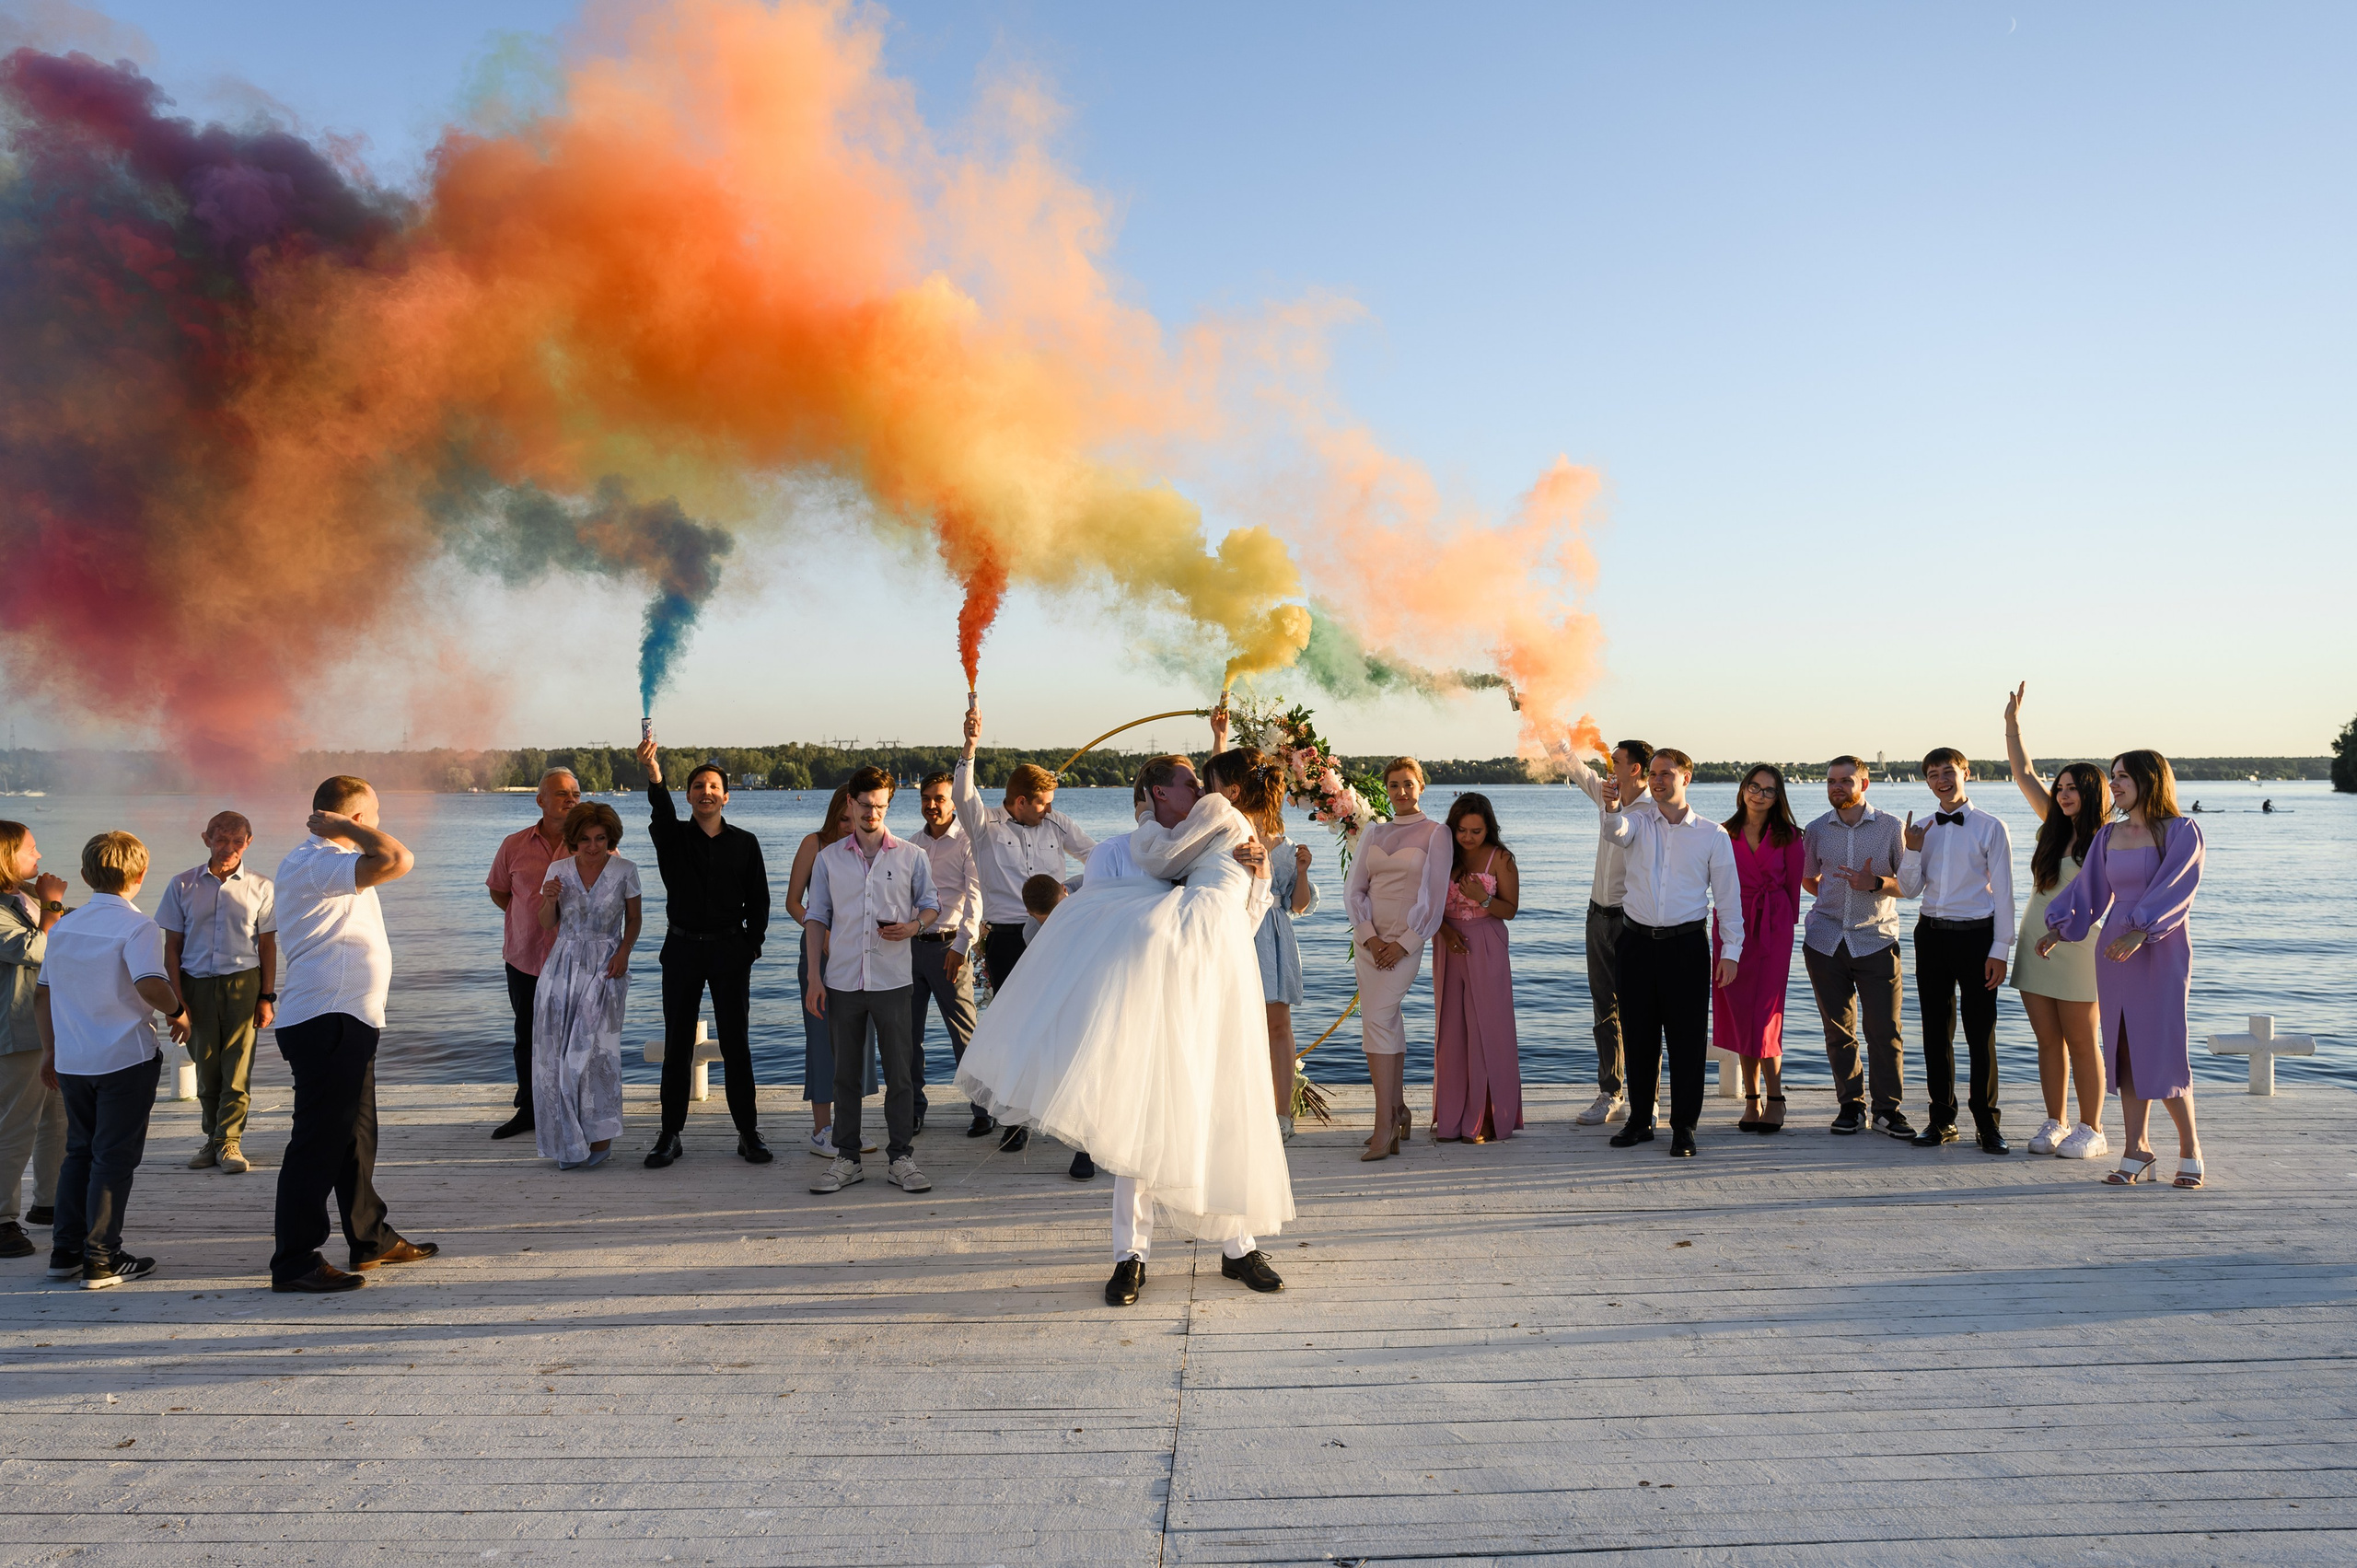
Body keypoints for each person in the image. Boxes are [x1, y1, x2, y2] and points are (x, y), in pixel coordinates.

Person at [956, 753, 1288, 1307]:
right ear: (1159, 794)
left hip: (1213, 990)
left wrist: (1261, 872)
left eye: (1201, 782)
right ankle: (1130, 1255)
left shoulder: (1213, 834)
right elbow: (1101, 922)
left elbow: (1242, 922)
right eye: (1188, 783)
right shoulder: (1115, 852)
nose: (1198, 791)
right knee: (1138, 1121)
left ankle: (1237, 1246)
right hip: (1144, 1004)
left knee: (1222, 1107)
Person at [269, 777, 435, 1293]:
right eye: (374, 814)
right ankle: (294, 1260)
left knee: (356, 1138)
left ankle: (370, 1238)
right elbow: (399, 859)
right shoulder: (317, 861)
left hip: (348, 1017)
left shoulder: (331, 865)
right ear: (355, 819)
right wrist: (346, 827)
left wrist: (349, 830)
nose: (380, 823)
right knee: (318, 1143)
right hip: (327, 1019)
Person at [2040, 750, 2207, 1189]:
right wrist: (2059, 928)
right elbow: (2089, 889)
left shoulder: (2180, 831)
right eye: (2113, 776)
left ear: (2150, 780)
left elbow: (2178, 889)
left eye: (2123, 777)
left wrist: (2141, 930)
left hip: (2161, 946)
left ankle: (2190, 1148)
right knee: (2124, 1049)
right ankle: (2137, 1148)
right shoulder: (2108, 835)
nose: (2113, 785)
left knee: (2163, 1047)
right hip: (2114, 948)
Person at [33, 832, 187, 1288]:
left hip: (74, 1059)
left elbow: (42, 994)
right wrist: (178, 1010)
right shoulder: (138, 926)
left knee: (79, 1151)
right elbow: (149, 983)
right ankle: (102, 1258)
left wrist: (50, 1050)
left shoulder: (65, 926)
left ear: (84, 876)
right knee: (113, 1158)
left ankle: (66, 1251)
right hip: (124, 1058)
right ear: (141, 875)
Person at [952, 701, 1095, 1166]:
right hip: (1008, 939)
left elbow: (1097, 857)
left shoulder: (1056, 823)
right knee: (1014, 1027)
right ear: (1019, 802)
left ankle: (1073, 1128)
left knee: (1064, 1025)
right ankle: (1014, 1121)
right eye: (1043, 803)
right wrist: (970, 747)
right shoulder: (985, 826)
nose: (1050, 810)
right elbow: (963, 795)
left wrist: (1082, 893)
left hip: (1056, 934)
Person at [1597, 749, 1742, 1158]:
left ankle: (1684, 1128)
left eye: (1666, 773)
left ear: (1686, 777)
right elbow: (1616, 832)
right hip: (1636, 943)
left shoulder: (1713, 834)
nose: (1658, 780)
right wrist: (1612, 807)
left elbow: (1728, 900)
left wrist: (1731, 952)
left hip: (1686, 946)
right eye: (1653, 774)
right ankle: (1640, 1120)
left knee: (1687, 1042)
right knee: (1638, 1036)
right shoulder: (1638, 821)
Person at [634, 738, 772, 1169]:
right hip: (681, 950)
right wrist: (655, 774)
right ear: (688, 795)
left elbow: (760, 901)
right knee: (677, 1045)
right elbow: (660, 810)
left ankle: (748, 1133)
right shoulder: (672, 838)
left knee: (736, 1044)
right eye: (698, 786)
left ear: (726, 797)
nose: (705, 792)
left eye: (713, 787)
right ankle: (669, 1135)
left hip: (731, 952)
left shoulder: (745, 843)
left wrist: (750, 946)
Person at [805, 767, 942, 1196]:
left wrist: (915, 926)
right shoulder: (828, 859)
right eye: (865, 805)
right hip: (842, 980)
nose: (872, 813)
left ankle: (901, 1158)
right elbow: (815, 917)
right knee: (844, 1076)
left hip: (893, 980)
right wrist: (814, 977)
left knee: (900, 1074)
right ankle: (847, 1159)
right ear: (850, 802)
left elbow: (932, 904)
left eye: (881, 806)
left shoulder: (911, 856)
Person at [2003, 683, 2110, 1160]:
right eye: (2060, 788)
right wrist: (2012, 724)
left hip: (2080, 948)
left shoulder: (2108, 837)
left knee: (2083, 1041)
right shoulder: (2052, 825)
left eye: (2072, 788)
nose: (2063, 795)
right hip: (2035, 943)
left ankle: (2093, 1128)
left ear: (2092, 792)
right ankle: (2056, 1121)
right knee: (2048, 1041)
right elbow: (2023, 772)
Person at [1897, 748, 2017, 1155]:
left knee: (1981, 1033)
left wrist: (2000, 950)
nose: (1941, 780)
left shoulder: (1991, 827)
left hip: (1977, 937)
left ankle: (1987, 1123)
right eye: (1933, 774)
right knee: (1935, 1030)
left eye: (1948, 771)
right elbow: (1909, 889)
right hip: (1930, 936)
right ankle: (1942, 1120)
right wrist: (1912, 849)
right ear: (1927, 782)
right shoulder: (1921, 829)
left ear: (1966, 772)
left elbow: (2005, 893)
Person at [1203, 747, 1318, 1138]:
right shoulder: (1223, 831)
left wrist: (1302, 871)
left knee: (1278, 1025)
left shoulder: (1283, 846)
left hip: (1271, 936)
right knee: (1227, 1024)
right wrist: (1219, 738)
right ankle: (1231, 1113)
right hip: (1234, 926)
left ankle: (1281, 1114)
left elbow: (1298, 906)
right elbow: (1220, 776)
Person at [155, 811, 276, 1175]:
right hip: (195, 984)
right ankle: (213, 1137)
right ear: (206, 839)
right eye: (221, 840)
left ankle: (230, 1141)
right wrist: (176, 1002)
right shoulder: (182, 884)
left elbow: (267, 946)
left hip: (243, 983)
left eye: (237, 841)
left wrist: (266, 997)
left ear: (248, 842)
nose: (229, 848)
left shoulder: (261, 886)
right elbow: (172, 947)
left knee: (237, 1068)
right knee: (206, 1066)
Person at [1343, 758, 1453, 1161]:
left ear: (1421, 786)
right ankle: (1397, 1109)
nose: (1401, 792)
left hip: (1404, 944)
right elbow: (1354, 890)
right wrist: (1369, 938)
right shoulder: (1374, 830)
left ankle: (1383, 1123)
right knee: (1384, 1021)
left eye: (1408, 784)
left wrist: (1404, 943)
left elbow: (1435, 898)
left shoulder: (1437, 833)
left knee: (1378, 1019)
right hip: (1370, 944)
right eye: (1393, 785)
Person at [1799, 759, 1913, 1138]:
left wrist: (1875, 882)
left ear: (1864, 784)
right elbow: (1809, 879)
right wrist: (1832, 894)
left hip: (1876, 940)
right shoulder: (1816, 829)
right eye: (1831, 781)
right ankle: (1851, 1106)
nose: (1837, 787)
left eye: (1846, 780)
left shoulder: (1891, 828)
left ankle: (1887, 1111)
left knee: (1885, 1031)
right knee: (1838, 1031)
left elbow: (1910, 886)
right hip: (1824, 941)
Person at [530, 802, 643, 1171]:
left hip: (606, 968)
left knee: (596, 1056)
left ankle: (601, 1140)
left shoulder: (626, 870)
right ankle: (568, 1139)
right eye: (585, 840)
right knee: (557, 1057)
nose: (593, 846)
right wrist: (548, 900)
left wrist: (624, 952)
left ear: (611, 838)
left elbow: (634, 919)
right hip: (561, 969)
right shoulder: (558, 871)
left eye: (600, 838)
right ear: (574, 840)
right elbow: (547, 923)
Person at [1559, 737, 1657, 1126]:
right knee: (1604, 1009)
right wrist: (1539, 719)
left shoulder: (1654, 810)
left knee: (1641, 1011)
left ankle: (1647, 1099)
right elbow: (1572, 765)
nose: (1609, 766)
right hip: (1596, 918)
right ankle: (1611, 1093)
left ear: (1634, 768)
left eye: (1615, 761)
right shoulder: (1606, 797)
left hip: (1634, 920)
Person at [484, 769, 583, 1140]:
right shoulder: (514, 844)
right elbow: (499, 890)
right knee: (527, 1035)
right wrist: (525, 916)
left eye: (575, 793)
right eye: (561, 793)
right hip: (524, 956)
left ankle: (571, 1108)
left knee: (574, 1036)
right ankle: (529, 1108)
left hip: (575, 960)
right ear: (540, 800)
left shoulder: (592, 844)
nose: (571, 799)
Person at [784, 785, 877, 1159]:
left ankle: (850, 1124)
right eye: (843, 819)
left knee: (861, 1040)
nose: (849, 827)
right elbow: (793, 902)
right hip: (819, 956)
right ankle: (822, 1129)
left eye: (856, 820)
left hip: (860, 955)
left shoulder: (870, 847)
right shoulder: (814, 844)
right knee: (822, 1040)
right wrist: (819, 931)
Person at [1716, 767, 1805, 1133]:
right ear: (1743, 790)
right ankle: (1752, 1100)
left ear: (1777, 797)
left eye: (1769, 790)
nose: (1759, 795)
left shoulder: (1791, 837)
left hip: (1773, 927)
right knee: (1740, 1013)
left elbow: (1793, 890)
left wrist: (1780, 930)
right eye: (1754, 786)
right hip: (1731, 929)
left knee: (1767, 1015)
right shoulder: (1723, 833)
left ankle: (1776, 1098)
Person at [1431, 792, 1521, 1144]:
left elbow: (1510, 910)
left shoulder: (1502, 859)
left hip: (1486, 943)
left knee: (1489, 1030)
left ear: (1489, 829)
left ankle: (1486, 1117)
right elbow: (1428, 903)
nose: (1468, 837)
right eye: (1462, 830)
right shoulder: (1443, 856)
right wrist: (1445, 932)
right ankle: (1451, 1118)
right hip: (1448, 942)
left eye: (1476, 831)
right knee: (1451, 1031)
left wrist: (1481, 897)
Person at [0, 820, 68, 1260]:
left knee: (57, 1119)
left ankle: (51, 1201)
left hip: (49, 1026)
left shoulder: (22, 897)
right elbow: (36, 948)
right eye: (31, 848)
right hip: (18, 1032)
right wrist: (53, 904)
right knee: (15, 1126)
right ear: (7, 856)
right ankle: (2, 1219)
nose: (38, 856)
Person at [909, 772, 981, 1136]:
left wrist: (961, 946)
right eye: (926, 798)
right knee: (908, 1035)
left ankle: (983, 1108)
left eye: (939, 798)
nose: (932, 805)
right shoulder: (910, 845)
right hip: (910, 949)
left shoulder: (968, 842)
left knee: (965, 1034)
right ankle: (912, 1109)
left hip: (950, 948)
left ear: (954, 803)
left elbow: (976, 899)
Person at [1019, 872, 1067, 941]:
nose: (1057, 921)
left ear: (1065, 890)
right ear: (1030, 914)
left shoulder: (1082, 887)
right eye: (1047, 922)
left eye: (1061, 911)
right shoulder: (1032, 936)